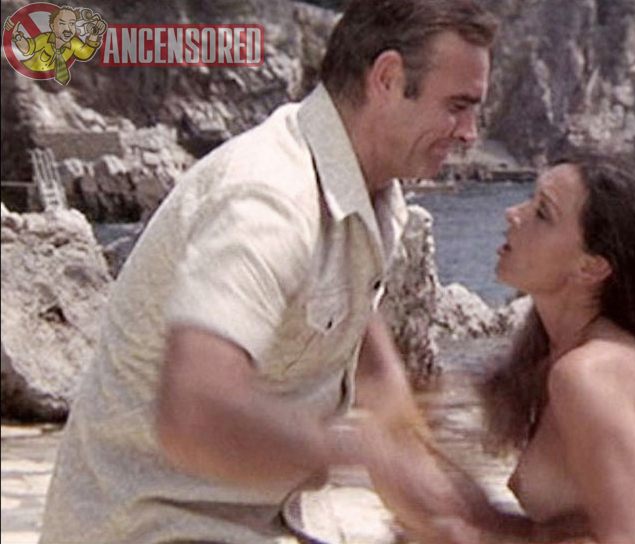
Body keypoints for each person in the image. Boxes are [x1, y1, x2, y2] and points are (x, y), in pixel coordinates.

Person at [39, 1, 520, 542]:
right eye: (457, 106)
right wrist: (362, 451)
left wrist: (461, 510)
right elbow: (195, 412)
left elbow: (373, 374)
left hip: (251, 522)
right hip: (150, 526)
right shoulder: (267, 198)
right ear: (387, 78)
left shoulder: (368, 196)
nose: (470, 133)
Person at [481, 152, 635, 543]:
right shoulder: (565, 354)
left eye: (543, 213)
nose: (513, 214)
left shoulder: (586, 374)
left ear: (591, 267)